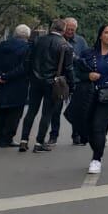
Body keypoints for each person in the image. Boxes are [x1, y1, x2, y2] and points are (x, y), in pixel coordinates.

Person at [72, 24, 108, 175]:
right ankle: (97, 149)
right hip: (88, 95)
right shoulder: (87, 53)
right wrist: (88, 76)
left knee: (98, 126)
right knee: (88, 128)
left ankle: (96, 159)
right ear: (100, 35)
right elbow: (77, 73)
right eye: (106, 32)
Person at [20, 19, 75, 152]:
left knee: (31, 111)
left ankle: (24, 140)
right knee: (47, 113)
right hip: (52, 83)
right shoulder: (65, 45)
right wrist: (72, 85)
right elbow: (68, 68)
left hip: (35, 80)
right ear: (63, 30)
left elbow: (27, 59)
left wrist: (30, 76)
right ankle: (39, 143)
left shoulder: (38, 40)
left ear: (51, 28)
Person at [0, 25, 32, 148]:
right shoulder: (27, 48)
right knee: (15, 112)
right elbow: (23, 67)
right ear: (27, 36)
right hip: (18, 83)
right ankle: (7, 138)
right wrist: (6, 76)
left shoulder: (2, 45)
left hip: (1, 84)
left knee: (2, 110)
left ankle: (0, 137)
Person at [62, 17, 88, 145]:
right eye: (68, 29)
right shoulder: (58, 40)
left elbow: (86, 59)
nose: (70, 31)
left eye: (72, 29)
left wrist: (76, 59)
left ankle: (76, 134)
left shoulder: (80, 41)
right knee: (56, 109)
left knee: (77, 108)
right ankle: (53, 135)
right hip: (60, 79)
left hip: (76, 79)